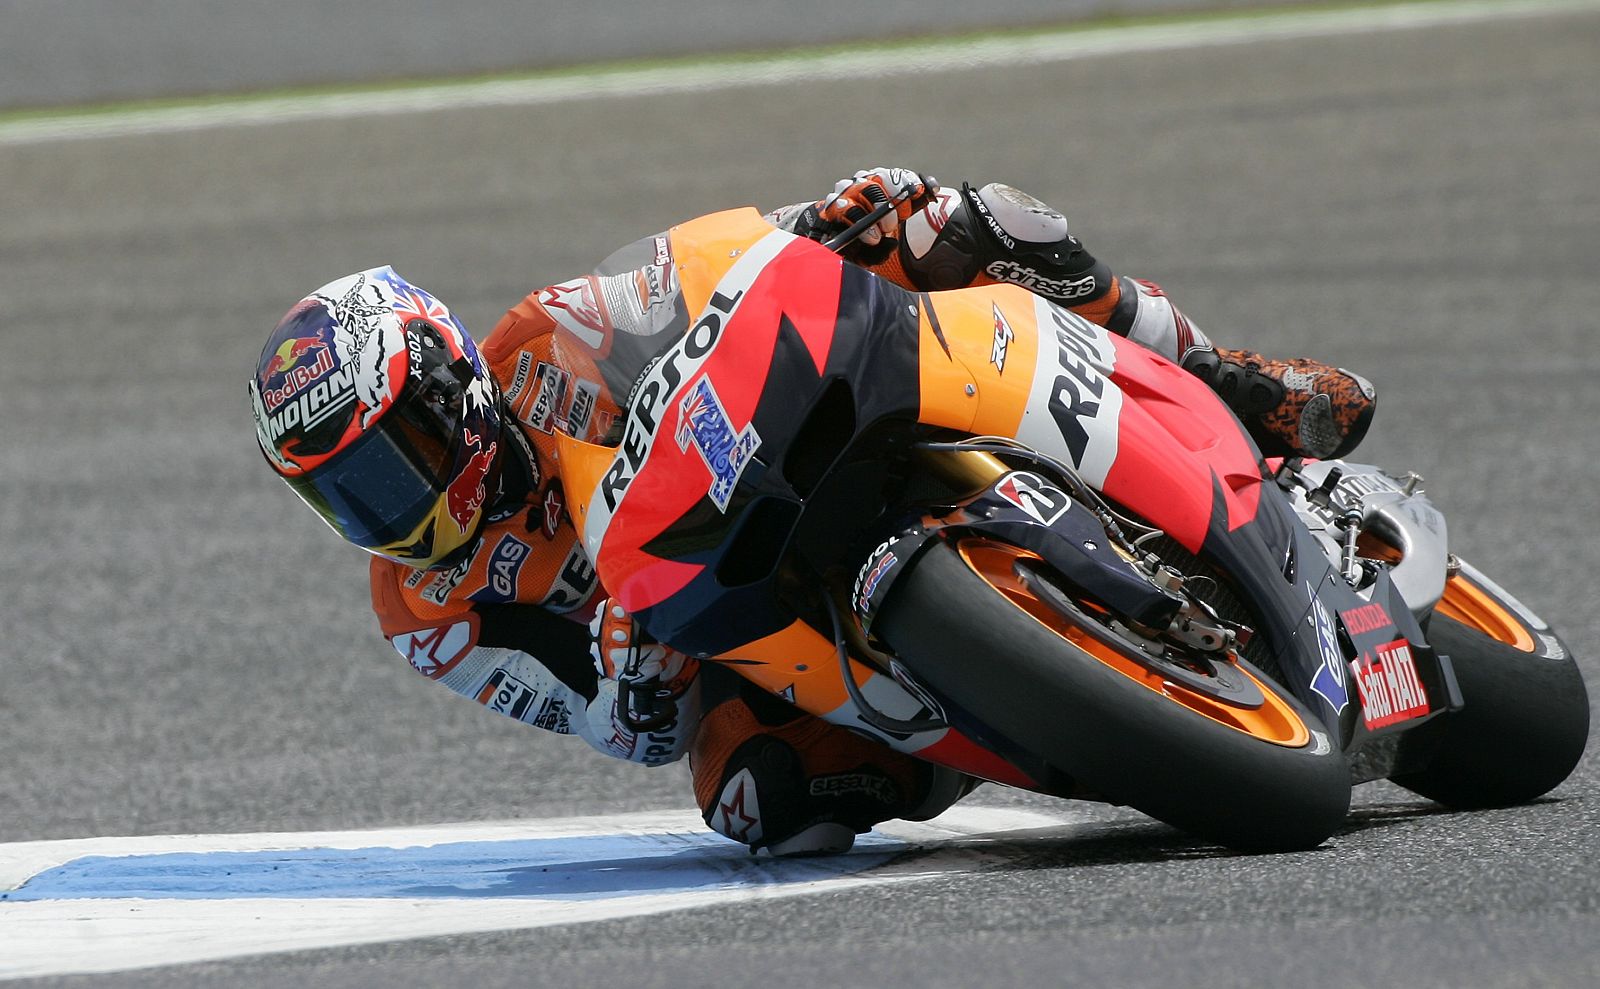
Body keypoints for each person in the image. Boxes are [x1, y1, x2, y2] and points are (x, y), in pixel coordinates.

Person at [249, 168, 1375, 856]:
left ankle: (1230, 382)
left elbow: (702, 275)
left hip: (781, 444)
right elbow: (624, 730)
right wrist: (626, 672)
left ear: (451, 384)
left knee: (966, 223)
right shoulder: (429, 613)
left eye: (394, 459)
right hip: (731, 623)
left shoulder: (548, 337)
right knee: (759, 803)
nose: (387, 506)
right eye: (344, 494)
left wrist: (835, 218)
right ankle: (1018, 704)